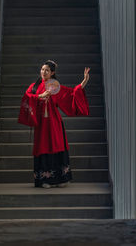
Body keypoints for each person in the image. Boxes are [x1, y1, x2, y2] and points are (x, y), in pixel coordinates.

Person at [18, 60, 90, 188]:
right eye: (42, 69)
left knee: (57, 146)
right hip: (41, 124)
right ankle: (45, 180)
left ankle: (61, 179)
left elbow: (71, 94)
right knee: (43, 148)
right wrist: (40, 96)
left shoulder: (55, 86)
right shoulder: (34, 86)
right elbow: (26, 97)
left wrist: (84, 81)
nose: (43, 72)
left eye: (46, 70)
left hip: (54, 122)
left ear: (52, 73)